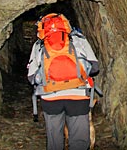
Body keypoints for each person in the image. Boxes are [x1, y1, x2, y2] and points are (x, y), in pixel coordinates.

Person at [27, 13, 99, 150]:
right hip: (78, 95)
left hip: (50, 98)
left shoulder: (39, 44)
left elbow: (31, 77)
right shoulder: (78, 39)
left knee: (54, 140)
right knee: (79, 141)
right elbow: (94, 67)